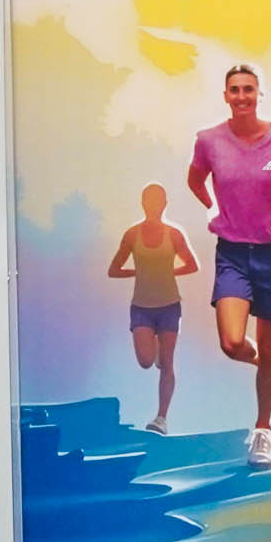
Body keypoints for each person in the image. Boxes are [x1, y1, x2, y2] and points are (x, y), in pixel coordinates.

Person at [189, 64, 271, 468]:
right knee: (232, 343)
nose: (242, 96)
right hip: (233, 254)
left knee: (266, 347)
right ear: (226, 95)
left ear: (259, 94)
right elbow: (195, 180)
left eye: (249, 89)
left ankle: (263, 431)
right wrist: (211, 208)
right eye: (235, 90)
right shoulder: (209, 141)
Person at [105, 184, 198, 433]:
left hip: (169, 305)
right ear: (143, 203)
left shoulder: (174, 234)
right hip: (142, 307)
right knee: (146, 361)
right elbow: (113, 270)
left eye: (158, 200)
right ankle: (154, 347)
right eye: (149, 200)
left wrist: (167, 271)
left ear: (164, 204)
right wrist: (140, 272)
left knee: (167, 363)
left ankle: (161, 418)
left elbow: (192, 265)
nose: (154, 205)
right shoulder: (132, 235)